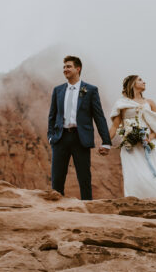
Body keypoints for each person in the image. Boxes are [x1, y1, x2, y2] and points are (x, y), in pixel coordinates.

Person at [48, 55, 111, 200]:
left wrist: (106, 141)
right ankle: (57, 211)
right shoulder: (58, 90)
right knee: (57, 179)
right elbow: (52, 115)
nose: (65, 69)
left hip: (80, 138)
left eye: (68, 66)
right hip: (60, 138)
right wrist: (51, 136)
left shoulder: (90, 90)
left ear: (78, 69)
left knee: (84, 178)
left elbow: (99, 117)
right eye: (64, 67)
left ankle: (87, 210)